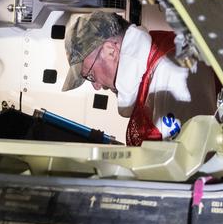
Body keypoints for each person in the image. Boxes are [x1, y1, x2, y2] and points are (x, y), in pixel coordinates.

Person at [62, 11, 215, 146]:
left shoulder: (172, 70)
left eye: (91, 75)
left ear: (110, 51)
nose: (96, 86)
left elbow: (192, 162)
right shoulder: (149, 63)